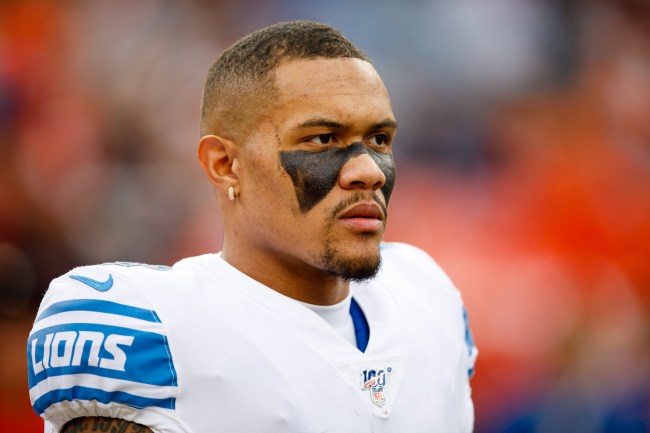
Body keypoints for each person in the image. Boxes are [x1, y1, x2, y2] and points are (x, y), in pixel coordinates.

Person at [27, 21, 477, 433]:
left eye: (379, 139)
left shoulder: (426, 298)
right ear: (225, 165)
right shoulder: (156, 326)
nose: (370, 171)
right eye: (322, 139)